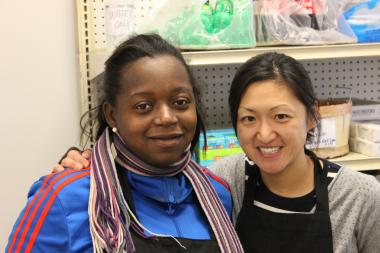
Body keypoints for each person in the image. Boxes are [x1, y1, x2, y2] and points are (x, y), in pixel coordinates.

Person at [59, 52, 380, 253]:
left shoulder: (360, 196)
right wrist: (86, 165)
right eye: (249, 118)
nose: (264, 133)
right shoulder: (221, 184)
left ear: (310, 116)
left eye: (281, 116)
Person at [6, 34, 243, 253]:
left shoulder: (217, 194)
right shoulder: (67, 197)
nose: (167, 117)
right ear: (112, 114)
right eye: (143, 106)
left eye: (180, 102)